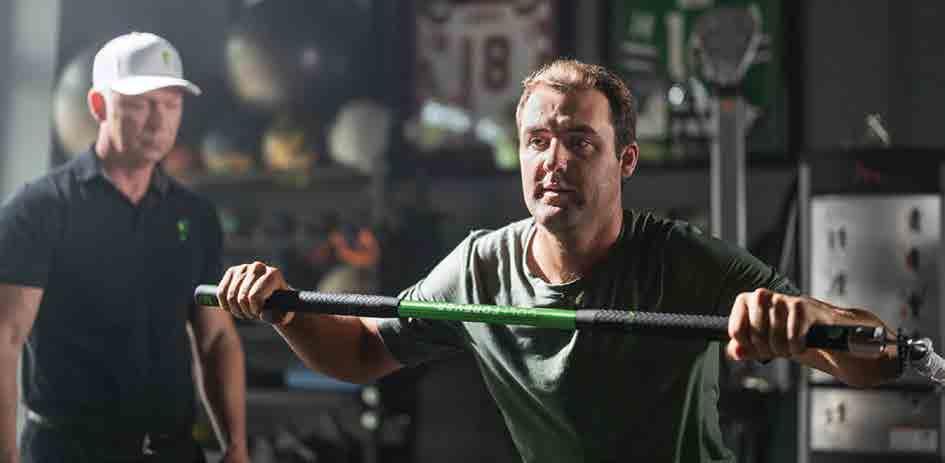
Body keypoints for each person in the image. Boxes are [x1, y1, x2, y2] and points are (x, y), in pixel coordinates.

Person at [215, 59, 900, 462]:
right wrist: (285, 312)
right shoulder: (481, 268)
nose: (554, 160)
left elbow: (877, 355)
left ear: (625, 160)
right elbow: (364, 351)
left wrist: (799, 325)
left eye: (580, 141)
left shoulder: (677, 258)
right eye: (537, 141)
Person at [0, 32, 249, 463]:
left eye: (171, 104)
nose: (159, 122)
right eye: (140, 104)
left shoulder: (194, 215)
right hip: (69, 452)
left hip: (173, 451)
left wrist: (237, 446)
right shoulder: (40, 208)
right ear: (98, 106)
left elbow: (216, 339)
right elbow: (5, 338)